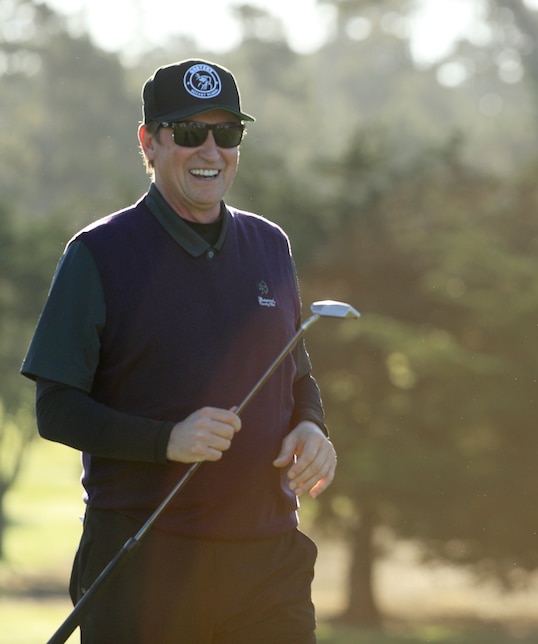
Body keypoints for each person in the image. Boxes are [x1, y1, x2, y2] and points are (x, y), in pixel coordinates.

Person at [21, 59, 336, 643]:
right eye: (190, 133)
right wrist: (166, 440)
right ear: (150, 141)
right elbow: (56, 407)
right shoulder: (99, 253)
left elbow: (295, 375)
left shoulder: (271, 245)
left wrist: (312, 427)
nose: (210, 150)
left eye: (227, 133)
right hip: (145, 556)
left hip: (268, 558)